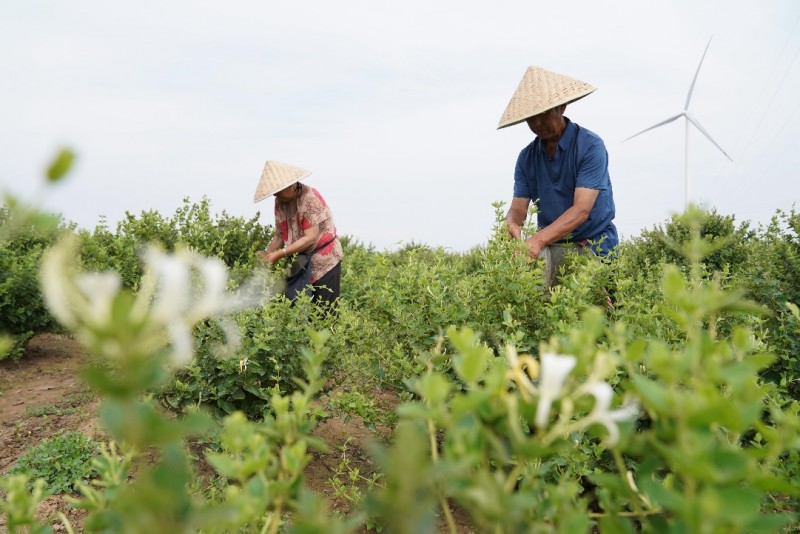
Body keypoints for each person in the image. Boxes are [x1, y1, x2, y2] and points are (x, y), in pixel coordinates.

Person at [497, 66, 618, 288]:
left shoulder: (591, 146)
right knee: (547, 313)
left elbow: (582, 210)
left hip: (594, 245)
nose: (537, 124)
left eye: (543, 114)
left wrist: (538, 239)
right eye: (530, 119)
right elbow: (518, 208)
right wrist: (512, 224)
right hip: (552, 247)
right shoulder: (527, 158)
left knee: (599, 317)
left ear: (561, 107)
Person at [253, 160, 343, 306]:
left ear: (291, 186)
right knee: (299, 311)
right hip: (300, 261)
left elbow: (310, 239)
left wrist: (279, 254)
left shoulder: (309, 198)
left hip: (325, 262)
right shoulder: (280, 202)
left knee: (325, 313)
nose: (276, 195)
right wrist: (268, 253)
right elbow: (279, 235)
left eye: (279, 191)